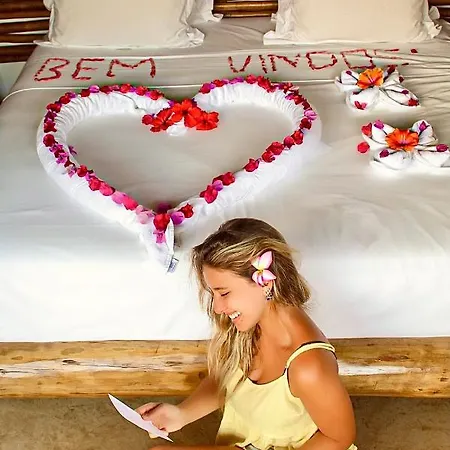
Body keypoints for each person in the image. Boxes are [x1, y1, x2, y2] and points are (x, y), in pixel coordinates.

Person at [137, 218, 357, 450]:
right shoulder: (249, 325)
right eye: (214, 294)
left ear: (266, 283)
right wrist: (181, 414)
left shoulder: (308, 367)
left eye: (224, 293)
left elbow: (338, 438)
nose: (217, 308)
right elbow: (227, 379)